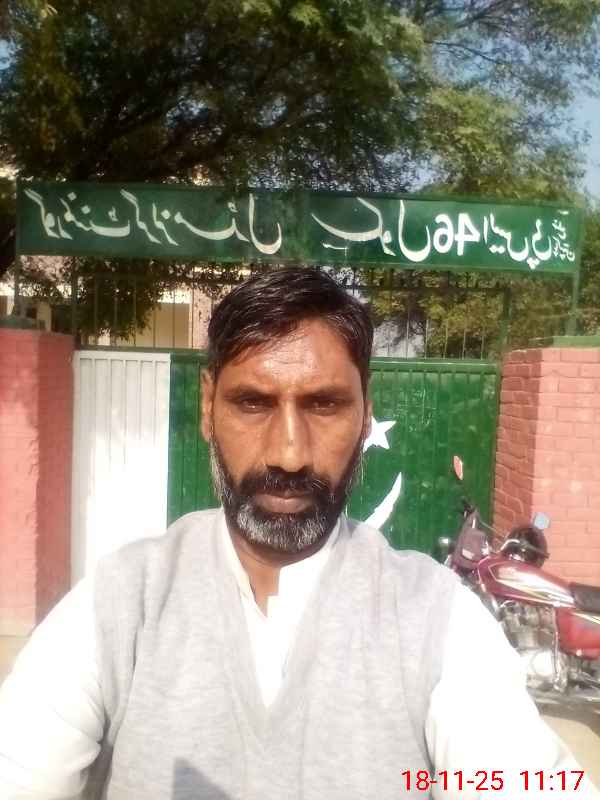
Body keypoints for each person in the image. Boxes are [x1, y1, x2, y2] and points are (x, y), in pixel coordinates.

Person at [0, 267, 597, 800]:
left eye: (324, 405)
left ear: (365, 413)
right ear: (208, 408)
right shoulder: (118, 606)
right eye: (253, 403)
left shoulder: (439, 622)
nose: (288, 454)